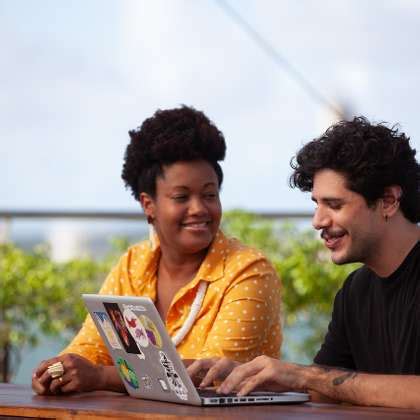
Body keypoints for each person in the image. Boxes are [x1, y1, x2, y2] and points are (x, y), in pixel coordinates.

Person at [32, 106, 282, 395]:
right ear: (148, 205)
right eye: (181, 197)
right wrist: (58, 371)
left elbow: (212, 376)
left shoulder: (249, 272)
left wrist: (101, 377)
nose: (199, 208)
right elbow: (89, 348)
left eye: (209, 195)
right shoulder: (132, 266)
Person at [189, 116, 420, 409]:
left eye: (335, 205)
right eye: (317, 204)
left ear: (388, 201)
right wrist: (250, 374)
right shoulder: (355, 291)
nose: (317, 221)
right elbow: (325, 387)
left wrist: (307, 376)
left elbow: (319, 379)